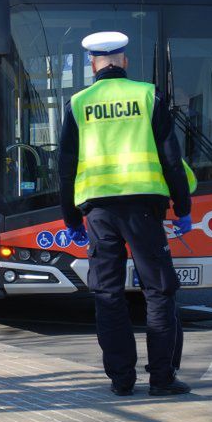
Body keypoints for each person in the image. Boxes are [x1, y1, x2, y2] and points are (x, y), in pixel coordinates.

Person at [57, 31, 193, 397]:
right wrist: (183, 209)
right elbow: (171, 160)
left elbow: (65, 168)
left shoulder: (78, 103)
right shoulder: (148, 96)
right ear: (125, 62)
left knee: (107, 293)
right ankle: (162, 378)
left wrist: (71, 220)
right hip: (144, 211)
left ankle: (121, 379)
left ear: (92, 64)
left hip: (98, 212)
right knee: (159, 291)